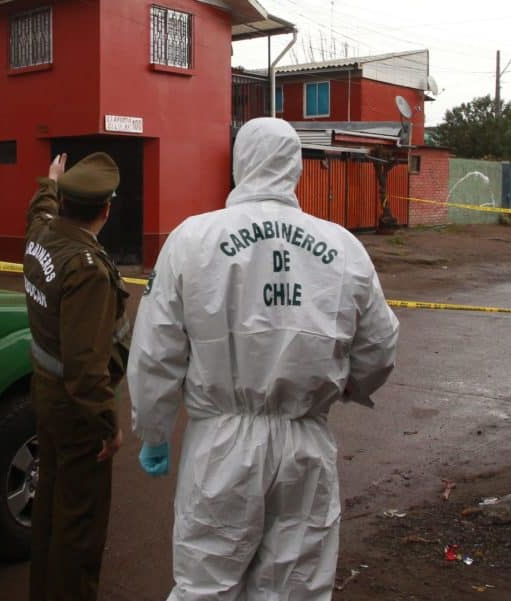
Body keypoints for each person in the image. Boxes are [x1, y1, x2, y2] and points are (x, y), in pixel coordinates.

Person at [127, 118, 399, 601]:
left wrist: (154, 430)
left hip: (221, 447)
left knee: (206, 585)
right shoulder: (342, 247)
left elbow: (156, 350)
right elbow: (379, 345)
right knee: (295, 587)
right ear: (295, 167)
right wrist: (354, 386)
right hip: (305, 444)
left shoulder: (193, 240)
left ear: (239, 164)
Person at [24, 152, 130, 601]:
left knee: (49, 511)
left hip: (47, 398)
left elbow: (39, 211)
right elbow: (87, 368)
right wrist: (107, 426)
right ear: (106, 209)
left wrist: (50, 181)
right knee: (79, 528)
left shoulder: (43, 236)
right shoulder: (85, 270)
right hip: (76, 414)